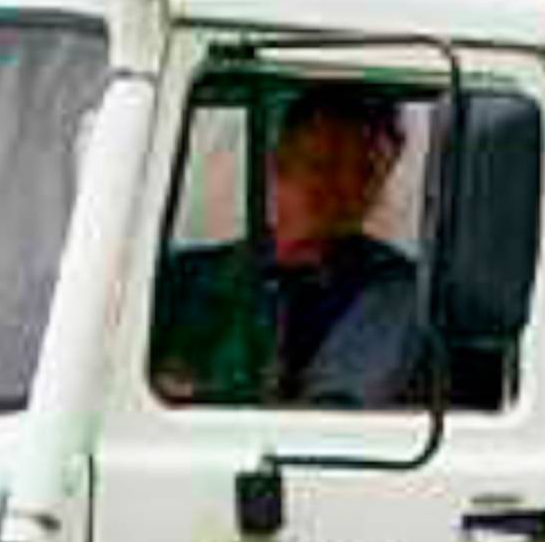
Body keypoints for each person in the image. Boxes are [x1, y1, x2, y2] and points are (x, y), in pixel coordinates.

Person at [153, 83, 427, 408]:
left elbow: (328, 416)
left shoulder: (392, 292)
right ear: (279, 162)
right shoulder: (187, 276)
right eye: (324, 164)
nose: (346, 187)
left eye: (366, 172)